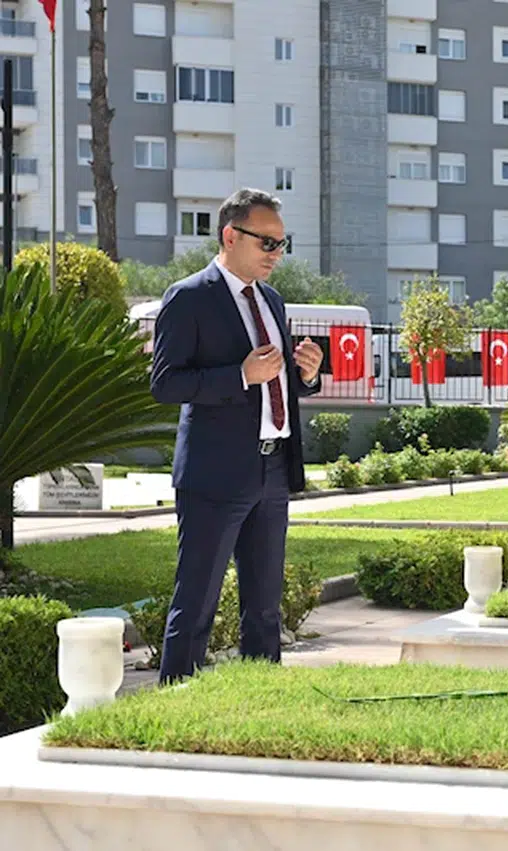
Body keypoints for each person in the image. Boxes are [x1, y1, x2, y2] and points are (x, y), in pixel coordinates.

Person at [149, 188, 324, 683]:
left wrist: (306, 375)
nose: (276, 255)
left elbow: (279, 383)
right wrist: (239, 375)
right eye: (267, 243)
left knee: (266, 609)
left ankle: (258, 705)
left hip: (272, 471)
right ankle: (176, 704)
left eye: (282, 245)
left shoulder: (271, 300)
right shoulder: (189, 297)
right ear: (230, 235)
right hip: (214, 474)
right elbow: (165, 384)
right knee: (197, 603)